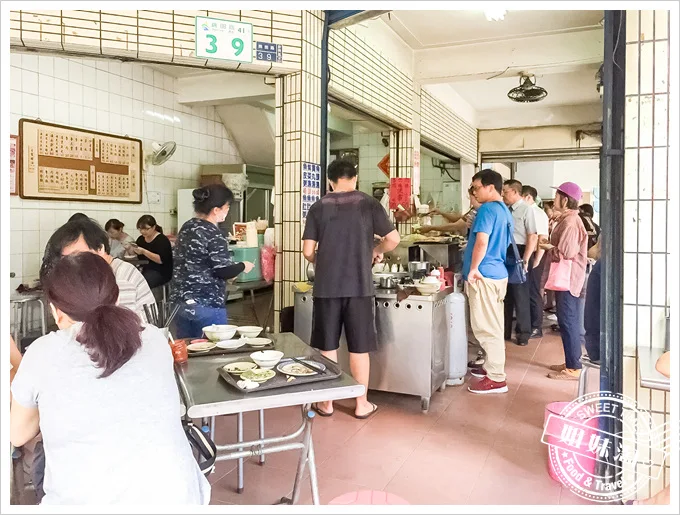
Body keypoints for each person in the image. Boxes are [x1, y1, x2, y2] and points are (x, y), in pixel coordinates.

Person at [10, 253, 210, 504]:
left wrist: (14, 360)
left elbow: (17, 434)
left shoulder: (43, 352)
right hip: (180, 497)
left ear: (55, 311)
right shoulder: (153, 338)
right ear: (115, 297)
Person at [302, 159, 400, 418]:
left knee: (327, 347)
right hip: (359, 287)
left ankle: (326, 403)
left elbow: (307, 251)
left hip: (326, 288)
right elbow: (393, 238)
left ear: (330, 181)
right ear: (355, 178)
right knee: (359, 348)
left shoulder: (318, 206)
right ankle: (361, 404)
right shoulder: (368, 203)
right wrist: (374, 250)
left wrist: (323, 260)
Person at [172, 184, 254, 338]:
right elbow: (222, 271)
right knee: (213, 350)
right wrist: (243, 265)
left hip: (180, 302)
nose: (228, 210)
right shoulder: (214, 234)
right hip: (206, 303)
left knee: (187, 350)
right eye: (227, 207)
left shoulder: (187, 226)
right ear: (216, 210)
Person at [40, 219, 155, 323]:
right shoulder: (92, 275)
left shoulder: (121, 278)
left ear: (100, 248)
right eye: (66, 259)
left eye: (79, 256)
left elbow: (116, 331)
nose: (72, 265)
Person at [464, 169, 513, 394]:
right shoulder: (504, 210)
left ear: (490, 187)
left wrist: (473, 268)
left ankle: (496, 377)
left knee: (486, 327)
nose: (474, 192)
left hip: (484, 275)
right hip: (497, 273)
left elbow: (481, 242)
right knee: (494, 324)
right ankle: (490, 366)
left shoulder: (487, 210)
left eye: (476, 188)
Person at [542, 182, 588, 380]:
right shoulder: (568, 219)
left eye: (557, 195)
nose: (554, 199)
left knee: (568, 320)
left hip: (568, 279)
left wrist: (546, 247)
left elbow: (566, 252)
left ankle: (574, 367)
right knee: (568, 319)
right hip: (569, 278)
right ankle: (571, 361)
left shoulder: (570, 222)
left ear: (566, 199)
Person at [501, 179, 538, 346]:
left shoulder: (526, 209)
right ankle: (505, 330)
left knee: (520, 294)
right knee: (505, 294)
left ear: (515, 192)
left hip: (520, 252)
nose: (503, 194)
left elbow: (532, 235)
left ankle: (524, 333)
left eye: (506, 191)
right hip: (505, 251)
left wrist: (526, 259)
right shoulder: (505, 209)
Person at [522, 185, 550, 338]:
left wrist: (537, 260)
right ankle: (530, 322)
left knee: (534, 291)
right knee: (528, 291)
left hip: (536, 256)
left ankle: (536, 326)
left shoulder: (535, 212)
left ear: (528, 197)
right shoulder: (530, 211)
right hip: (531, 255)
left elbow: (542, 238)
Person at [133, 215, 173, 289]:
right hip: (145, 268)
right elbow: (139, 256)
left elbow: (161, 260)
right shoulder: (141, 239)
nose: (142, 231)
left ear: (154, 227)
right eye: (140, 229)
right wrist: (131, 249)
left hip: (160, 271)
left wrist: (144, 251)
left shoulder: (162, 240)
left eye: (146, 229)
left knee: (142, 283)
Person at [584, 239, 602, 363]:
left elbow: (592, 252)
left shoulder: (602, 266)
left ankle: (572, 365)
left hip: (597, 347)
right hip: (600, 345)